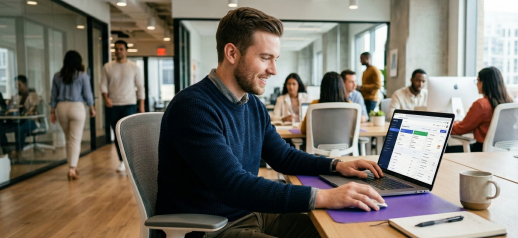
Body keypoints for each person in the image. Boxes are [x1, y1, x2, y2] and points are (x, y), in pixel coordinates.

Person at [156, 7, 385, 238]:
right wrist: (323, 197)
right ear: (232, 53)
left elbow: (283, 156)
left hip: (251, 213)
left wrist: (335, 165)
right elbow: (232, 185)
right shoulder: (193, 107)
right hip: (211, 228)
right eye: (265, 58)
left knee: (337, 234)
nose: (274, 70)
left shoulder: (252, 104)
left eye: (275, 59)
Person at [49, 50, 96, 180]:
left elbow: (53, 96)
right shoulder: (82, 76)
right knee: (75, 139)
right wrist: (92, 107)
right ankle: (72, 169)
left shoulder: (57, 76)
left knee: (68, 139)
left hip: (61, 108)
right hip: (77, 107)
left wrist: (52, 112)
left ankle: (72, 166)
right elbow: (88, 94)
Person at [100, 40, 145, 172]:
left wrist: (141, 105)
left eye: (121, 49)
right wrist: (106, 98)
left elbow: (140, 87)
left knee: (128, 134)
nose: (118, 51)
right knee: (117, 134)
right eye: (116, 49)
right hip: (113, 105)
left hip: (129, 104)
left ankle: (130, 162)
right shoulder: (107, 67)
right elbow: (103, 85)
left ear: (126, 51)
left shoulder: (134, 67)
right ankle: (121, 161)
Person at [448, 67, 513, 153]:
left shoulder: (481, 104)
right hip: (503, 151)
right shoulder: (509, 103)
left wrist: (447, 124)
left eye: (478, 80)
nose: (477, 84)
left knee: (442, 150)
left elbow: (460, 129)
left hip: (480, 150)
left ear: (485, 82)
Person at [0, 75, 40, 159]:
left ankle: (19, 152)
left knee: (19, 128)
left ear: (25, 84)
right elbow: (10, 108)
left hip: (31, 121)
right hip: (18, 120)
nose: (16, 87)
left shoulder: (33, 95)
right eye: (16, 85)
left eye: (19, 84)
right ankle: (8, 152)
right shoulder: (16, 96)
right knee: (1, 128)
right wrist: (10, 105)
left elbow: (35, 110)